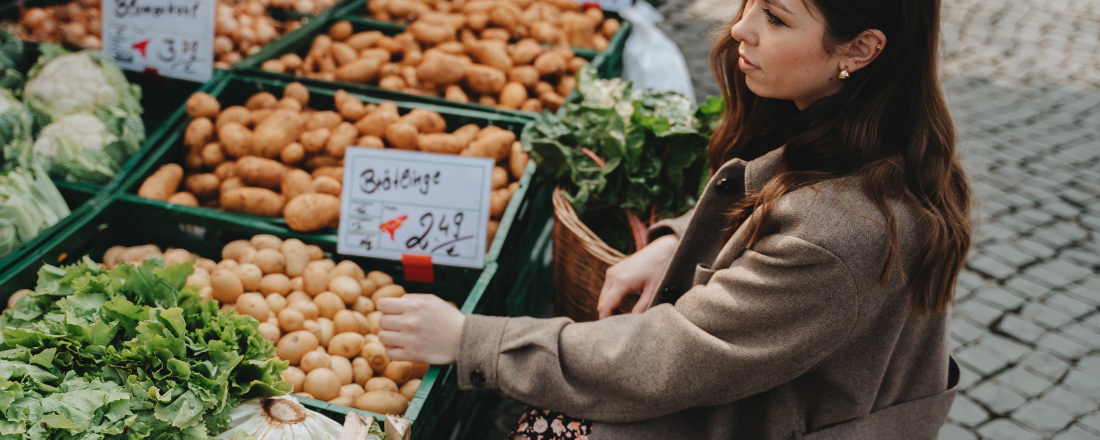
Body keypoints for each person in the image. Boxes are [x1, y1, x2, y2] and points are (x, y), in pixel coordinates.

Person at [376, 0, 972, 437]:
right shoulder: (862, 127)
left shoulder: (842, 231)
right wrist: (677, 238)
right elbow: (773, 206)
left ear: (861, 49)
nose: (741, 26)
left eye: (776, 17)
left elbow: (674, 356)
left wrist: (471, 341)